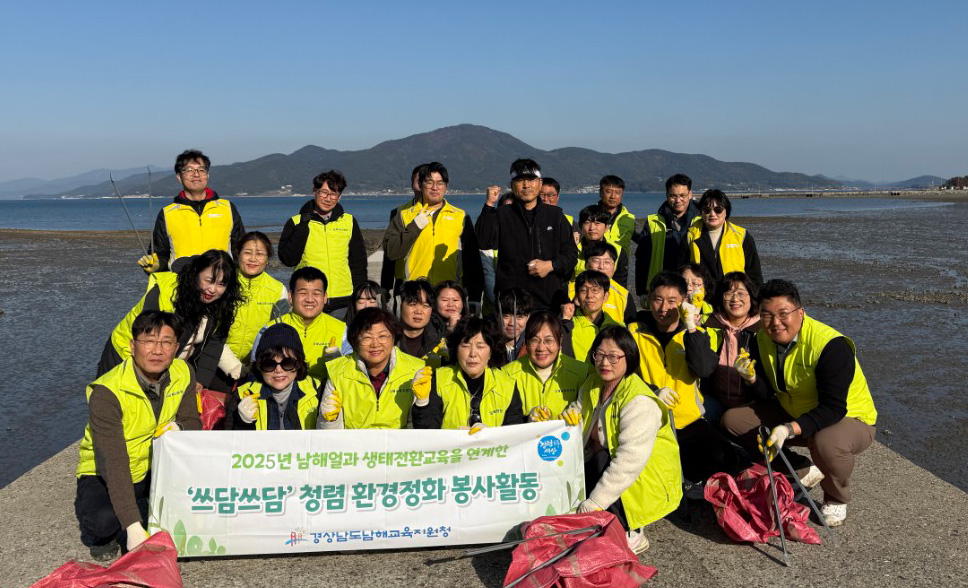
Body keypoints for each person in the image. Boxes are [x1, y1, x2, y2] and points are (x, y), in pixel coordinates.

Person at [722, 279, 877, 527]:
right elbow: (767, 394)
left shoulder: (831, 345)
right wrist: (751, 379)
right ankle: (800, 468)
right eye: (766, 315)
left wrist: (788, 429)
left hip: (847, 420)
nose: (775, 323)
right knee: (733, 421)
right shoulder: (761, 338)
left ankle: (836, 497)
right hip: (793, 409)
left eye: (783, 314)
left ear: (800, 312)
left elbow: (833, 408)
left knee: (826, 441)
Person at [76, 311, 201, 560]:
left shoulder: (183, 372)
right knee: (103, 522)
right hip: (106, 470)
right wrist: (133, 527)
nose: (157, 350)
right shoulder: (107, 392)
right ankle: (106, 529)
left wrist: (179, 428)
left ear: (176, 347)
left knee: (198, 508)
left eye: (166, 342)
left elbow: (192, 422)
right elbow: (113, 461)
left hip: (157, 464)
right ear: (133, 346)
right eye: (149, 341)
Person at [628, 272, 747, 486]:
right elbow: (623, 374)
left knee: (728, 460)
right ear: (648, 300)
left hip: (687, 421)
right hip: (647, 422)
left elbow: (704, 369)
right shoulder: (633, 332)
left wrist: (691, 326)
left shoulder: (695, 334)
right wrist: (652, 390)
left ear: (683, 302)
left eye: (672, 301)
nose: (664, 308)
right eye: (658, 300)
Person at [574, 325, 682, 554]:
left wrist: (594, 503)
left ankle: (631, 530)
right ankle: (605, 518)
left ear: (629, 357)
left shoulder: (638, 401)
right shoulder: (593, 383)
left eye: (614, 356)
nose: (605, 362)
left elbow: (629, 461)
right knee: (595, 458)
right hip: (607, 458)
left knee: (604, 459)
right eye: (600, 354)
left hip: (645, 474)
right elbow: (577, 415)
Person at [99, 249, 244, 390]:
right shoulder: (167, 294)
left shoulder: (222, 305)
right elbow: (147, 343)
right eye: (208, 281)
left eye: (221, 284)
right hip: (125, 354)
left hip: (167, 364)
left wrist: (200, 380)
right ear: (196, 274)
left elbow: (214, 346)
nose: (212, 290)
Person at [476, 159, 578, 310]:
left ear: (540, 183)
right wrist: (489, 206)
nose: (526, 185)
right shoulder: (501, 214)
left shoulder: (555, 216)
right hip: (512, 304)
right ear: (512, 185)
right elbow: (482, 242)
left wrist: (551, 265)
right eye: (520, 180)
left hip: (548, 303)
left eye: (531, 179)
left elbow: (571, 255)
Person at [382, 162, 484, 306]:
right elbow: (391, 252)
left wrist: (475, 296)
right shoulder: (403, 216)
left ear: (446, 186)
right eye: (429, 182)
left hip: (450, 295)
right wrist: (415, 226)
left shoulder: (460, 217)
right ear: (421, 184)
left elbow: (472, 259)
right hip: (414, 294)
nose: (435, 187)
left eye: (440, 183)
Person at [317, 307, 425, 429]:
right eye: (367, 337)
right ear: (355, 340)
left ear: (394, 337)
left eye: (382, 336)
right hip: (355, 446)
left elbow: (418, 430)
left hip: (398, 446)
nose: (375, 344)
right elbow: (328, 437)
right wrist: (331, 421)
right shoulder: (337, 370)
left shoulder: (415, 369)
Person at [277, 170, 367, 316]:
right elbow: (287, 259)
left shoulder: (349, 222)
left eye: (333, 194)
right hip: (309, 299)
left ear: (339, 196)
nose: (328, 198)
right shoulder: (296, 222)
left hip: (343, 299)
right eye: (324, 192)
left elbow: (358, 263)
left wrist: (360, 294)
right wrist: (303, 227)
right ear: (315, 191)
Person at [139, 150, 245, 274]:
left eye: (201, 170)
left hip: (221, 283)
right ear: (179, 177)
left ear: (207, 175)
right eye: (189, 170)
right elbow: (160, 254)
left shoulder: (227, 208)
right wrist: (155, 266)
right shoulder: (167, 213)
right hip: (181, 284)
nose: (196, 174)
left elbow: (240, 249)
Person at [412, 317, 525, 430]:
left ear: (491, 352)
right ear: (456, 349)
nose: (472, 354)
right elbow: (427, 433)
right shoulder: (439, 379)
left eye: (480, 346)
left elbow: (513, 435)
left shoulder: (507, 385)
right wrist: (422, 402)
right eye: (465, 346)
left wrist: (489, 436)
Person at [225, 323, 320, 431]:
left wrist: (330, 422)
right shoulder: (242, 395)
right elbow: (232, 444)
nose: (278, 370)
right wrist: (244, 423)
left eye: (287, 363)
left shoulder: (317, 390)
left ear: (299, 364)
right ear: (259, 367)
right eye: (269, 364)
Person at [261, 266, 346, 381]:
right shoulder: (271, 329)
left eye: (316, 294)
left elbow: (350, 375)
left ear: (325, 297)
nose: (309, 299)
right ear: (290, 296)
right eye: (303, 293)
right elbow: (257, 369)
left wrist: (339, 363)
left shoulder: (341, 330)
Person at [501, 311, 588, 423]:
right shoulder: (507, 374)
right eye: (535, 340)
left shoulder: (582, 373)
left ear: (560, 341)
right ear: (526, 342)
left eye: (548, 341)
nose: (541, 348)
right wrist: (525, 420)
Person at [700, 272, 760, 424]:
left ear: (752, 297)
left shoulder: (763, 329)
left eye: (741, 293)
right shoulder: (708, 324)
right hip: (714, 399)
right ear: (721, 297)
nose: (735, 299)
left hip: (752, 403)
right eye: (729, 293)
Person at [225, 232, 289, 371]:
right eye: (247, 252)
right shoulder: (223, 283)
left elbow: (278, 334)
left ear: (267, 258)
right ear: (238, 254)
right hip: (219, 360)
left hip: (258, 365)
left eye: (260, 254)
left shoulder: (278, 290)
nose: (253, 259)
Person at [634, 173, 701, 302]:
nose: (678, 200)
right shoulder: (653, 222)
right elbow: (642, 259)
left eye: (682, 196)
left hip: (694, 290)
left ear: (690, 195)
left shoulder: (701, 221)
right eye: (673, 196)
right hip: (662, 289)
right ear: (666, 195)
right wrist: (642, 290)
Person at [681, 189, 763, 286]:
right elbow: (681, 272)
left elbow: (754, 275)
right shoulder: (690, 236)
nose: (712, 214)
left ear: (726, 211)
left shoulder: (742, 236)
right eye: (707, 210)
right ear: (701, 212)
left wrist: (752, 298)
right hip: (700, 296)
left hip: (733, 296)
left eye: (718, 210)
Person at [380, 163, 427, 304]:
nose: (422, 184)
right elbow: (390, 254)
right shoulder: (399, 212)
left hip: (437, 281)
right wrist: (385, 286)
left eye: (426, 180)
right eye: (419, 180)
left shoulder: (449, 213)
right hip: (404, 283)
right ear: (412, 183)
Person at [568, 242, 636, 325]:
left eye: (607, 262)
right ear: (586, 264)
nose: (601, 267)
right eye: (596, 261)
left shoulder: (623, 296)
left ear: (614, 266)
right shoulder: (569, 290)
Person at [561, 270, 621, 362]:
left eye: (595, 290)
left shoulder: (618, 328)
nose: (589, 295)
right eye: (584, 290)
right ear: (577, 297)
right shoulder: (567, 327)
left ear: (606, 296)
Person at [574, 203, 630, 286]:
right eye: (587, 222)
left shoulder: (618, 251)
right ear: (581, 226)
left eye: (597, 223)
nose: (592, 228)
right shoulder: (573, 248)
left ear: (606, 228)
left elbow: (620, 283)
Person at [397, 279, 448, 365]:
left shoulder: (442, 341)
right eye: (412, 304)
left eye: (425, 306)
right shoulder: (388, 338)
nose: (419, 311)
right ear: (400, 305)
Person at [339, 280, 385, 356]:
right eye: (361, 302)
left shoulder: (390, 329)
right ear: (354, 305)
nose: (366, 306)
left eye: (372, 301)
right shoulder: (343, 332)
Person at [596, 175, 636, 251]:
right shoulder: (589, 216)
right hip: (596, 262)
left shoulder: (629, 219)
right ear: (600, 193)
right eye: (608, 192)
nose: (613, 196)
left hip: (621, 262)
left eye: (617, 192)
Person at [496, 287, 533, 363]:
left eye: (519, 317)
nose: (512, 323)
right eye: (506, 316)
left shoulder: (533, 348)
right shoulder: (486, 346)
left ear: (528, 318)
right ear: (497, 316)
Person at [540, 177, 578, 242]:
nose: (545, 199)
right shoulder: (528, 220)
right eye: (541, 195)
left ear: (557, 197)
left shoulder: (569, 222)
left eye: (550, 195)